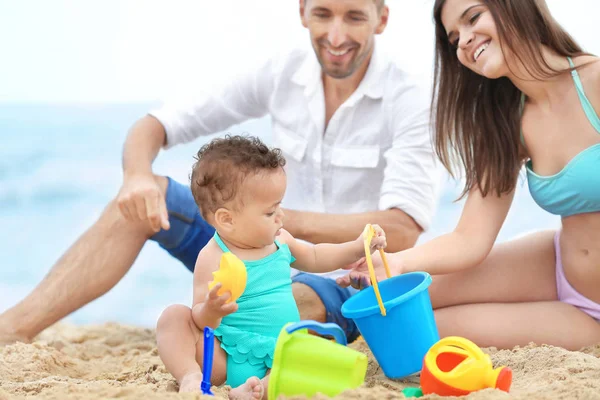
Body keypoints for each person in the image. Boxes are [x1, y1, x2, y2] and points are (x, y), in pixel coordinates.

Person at [0, 0, 439, 345]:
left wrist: (278, 224)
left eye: (355, 17)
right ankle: (11, 329)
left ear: (381, 19)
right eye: (323, 13)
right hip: (245, 246)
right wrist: (136, 177)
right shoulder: (281, 72)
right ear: (302, 10)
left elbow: (402, 227)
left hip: (340, 277)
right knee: (145, 193)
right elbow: (155, 126)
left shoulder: (411, 96)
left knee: (283, 306)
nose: (336, 34)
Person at [339, 0, 600, 351]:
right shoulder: (508, 121)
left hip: (592, 314)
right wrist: (398, 261)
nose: (463, 40)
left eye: (473, 17)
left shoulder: (594, 82)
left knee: (427, 331)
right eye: (453, 38)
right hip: (557, 263)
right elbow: (469, 238)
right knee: (397, 305)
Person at [156, 135, 386, 398]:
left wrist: (358, 247)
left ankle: (257, 389)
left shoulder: (281, 240)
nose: (281, 216)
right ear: (227, 219)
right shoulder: (213, 256)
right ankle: (190, 376)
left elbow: (315, 256)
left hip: (281, 351)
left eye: (280, 205)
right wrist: (210, 309)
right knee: (174, 317)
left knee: (314, 358)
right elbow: (200, 320)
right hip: (226, 353)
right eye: (270, 212)